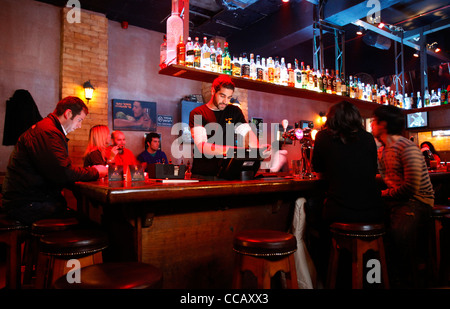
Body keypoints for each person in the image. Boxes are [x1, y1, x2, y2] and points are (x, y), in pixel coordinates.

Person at [1, 96, 108, 225]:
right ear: (68, 114)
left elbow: (59, 171)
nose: (79, 126)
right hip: (27, 204)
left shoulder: (47, 129)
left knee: (86, 216)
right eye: (79, 120)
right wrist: (95, 171)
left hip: (26, 200)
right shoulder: (48, 132)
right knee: (90, 223)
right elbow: (63, 173)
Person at [371, 104, 434, 288]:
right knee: (374, 227)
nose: (371, 125)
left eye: (374, 121)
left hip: (417, 201)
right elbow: (389, 178)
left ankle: (408, 281)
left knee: (398, 238)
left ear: (383, 124)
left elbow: (411, 188)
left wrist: (382, 194)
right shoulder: (382, 150)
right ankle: (382, 280)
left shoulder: (407, 147)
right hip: (396, 201)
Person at [312, 101, 383, 224]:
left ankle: (324, 243)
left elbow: (319, 171)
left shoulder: (322, 136)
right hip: (372, 210)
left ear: (331, 119)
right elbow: (372, 171)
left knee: (311, 206)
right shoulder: (368, 137)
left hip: (339, 210)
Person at [188, 74, 269, 179]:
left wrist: (257, 150)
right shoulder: (198, 113)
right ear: (213, 91)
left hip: (227, 174)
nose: (226, 101)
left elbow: (248, 134)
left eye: (229, 97)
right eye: (222, 96)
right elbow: (202, 146)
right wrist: (232, 151)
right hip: (204, 175)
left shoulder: (234, 111)